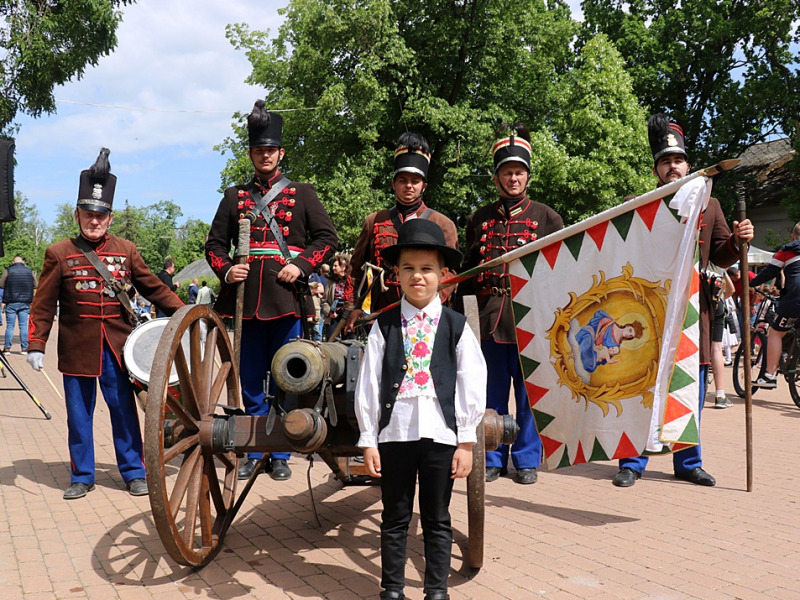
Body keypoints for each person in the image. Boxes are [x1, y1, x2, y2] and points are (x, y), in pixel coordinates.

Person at [26, 148, 184, 500]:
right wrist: (37, 344)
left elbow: (154, 288)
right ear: (77, 214)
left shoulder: (126, 250)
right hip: (76, 347)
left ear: (109, 218)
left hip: (117, 347)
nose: (94, 221)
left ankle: (133, 471)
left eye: (100, 215)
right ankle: (82, 475)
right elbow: (43, 304)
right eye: (87, 214)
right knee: (79, 416)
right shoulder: (59, 252)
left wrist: (185, 313)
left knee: (124, 411)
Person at [612, 114, 753, 488]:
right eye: (665, 162)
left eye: (678, 161)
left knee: (691, 386)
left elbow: (722, 256)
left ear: (688, 164)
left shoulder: (712, 206)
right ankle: (631, 461)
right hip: (646, 315)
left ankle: (688, 462)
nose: (673, 167)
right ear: (657, 169)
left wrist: (740, 239)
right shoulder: (637, 205)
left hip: (696, 313)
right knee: (639, 387)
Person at [205, 100, 338, 481]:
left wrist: (301, 265)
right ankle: (251, 450)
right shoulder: (234, 197)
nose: (265, 156)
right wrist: (228, 270)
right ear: (251, 154)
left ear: (281, 153)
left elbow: (327, 239)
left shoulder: (304, 193)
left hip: (286, 301)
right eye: (259, 150)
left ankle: (281, 451)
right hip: (245, 302)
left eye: (271, 150)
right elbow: (213, 246)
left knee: (287, 377)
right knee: (248, 380)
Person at [355, 218, 486, 600]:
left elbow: (471, 382)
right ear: (396, 275)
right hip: (395, 435)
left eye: (427, 269)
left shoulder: (456, 326)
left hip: (440, 435)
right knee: (395, 517)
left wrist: (465, 441)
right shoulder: (384, 325)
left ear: (442, 275)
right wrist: (368, 439)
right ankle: (392, 588)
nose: (418, 277)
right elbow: (368, 383)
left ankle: (436, 589)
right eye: (409, 269)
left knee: (436, 517)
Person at [461, 123, 563, 485]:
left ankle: (525, 459)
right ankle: (490, 455)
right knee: (489, 393)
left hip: (531, 320)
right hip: (490, 317)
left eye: (519, 172)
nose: (513, 178)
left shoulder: (547, 217)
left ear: (528, 177)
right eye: (507, 172)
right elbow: (468, 271)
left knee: (529, 393)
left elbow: (559, 272)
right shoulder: (480, 219)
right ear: (497, 179)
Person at [347, 132, 458, 330]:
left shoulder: (443, 223)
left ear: (424, 186)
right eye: (403, 180)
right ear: (393, 184)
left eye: (415, 181)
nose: (408, 186)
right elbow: (356, 269)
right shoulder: (374, 221)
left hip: (428, 315)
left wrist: (429, 300)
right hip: (383, 315)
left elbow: (451, 273)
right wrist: (352, 307)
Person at [748, 223, 800, 389]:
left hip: (795, 298)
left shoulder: (787, 250)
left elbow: (769, 272)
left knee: (775, 332)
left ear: (793, 236)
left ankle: (770, 375)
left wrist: (752, 282)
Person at [0, 255, 37, 354]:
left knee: (10, 326)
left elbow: (1, 284)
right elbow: (36, 285)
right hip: (25, 302)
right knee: (23, 325)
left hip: (11, 301)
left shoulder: (8, 270)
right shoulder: (29, 271)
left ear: (13, 262)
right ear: (23, 262)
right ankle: (24, 348)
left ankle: (7, 348)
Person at [323, 254, 354, 339]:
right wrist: (330, 312)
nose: (333, 268)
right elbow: (324, 300)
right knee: (330, 339)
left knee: (348, 340)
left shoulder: (352, 280)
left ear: (343, 267)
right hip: (334, 315)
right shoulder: (331, 281)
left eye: (335, 266)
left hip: (348, 315)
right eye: (333, 266)